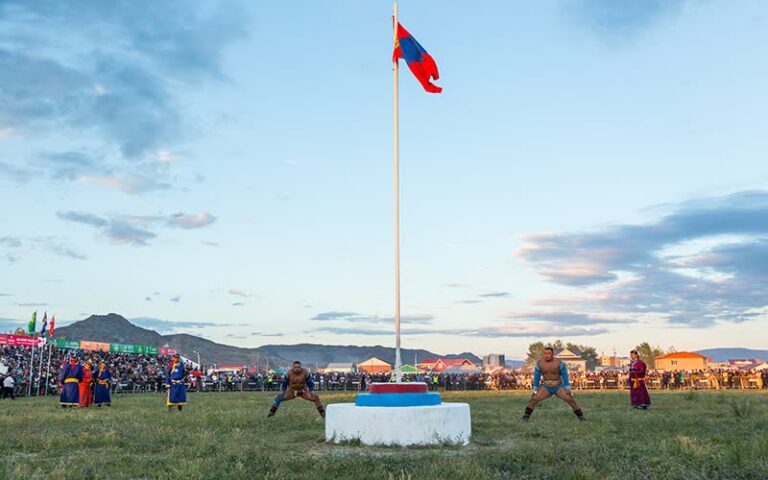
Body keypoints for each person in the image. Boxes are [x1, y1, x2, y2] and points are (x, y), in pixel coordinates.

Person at [522, 347, 585, 422]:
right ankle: (525, 417)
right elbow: (537, 377)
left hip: (558, 386)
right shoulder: (540, 363)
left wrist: (567, 388)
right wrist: (535, 389)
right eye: (545, 353)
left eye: (549, 353)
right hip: (546, 386)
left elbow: (565, 376)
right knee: (534, 399)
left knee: (570, 399)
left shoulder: (559, 363)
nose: (547, 355)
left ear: (552, 354)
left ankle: (581, 417)